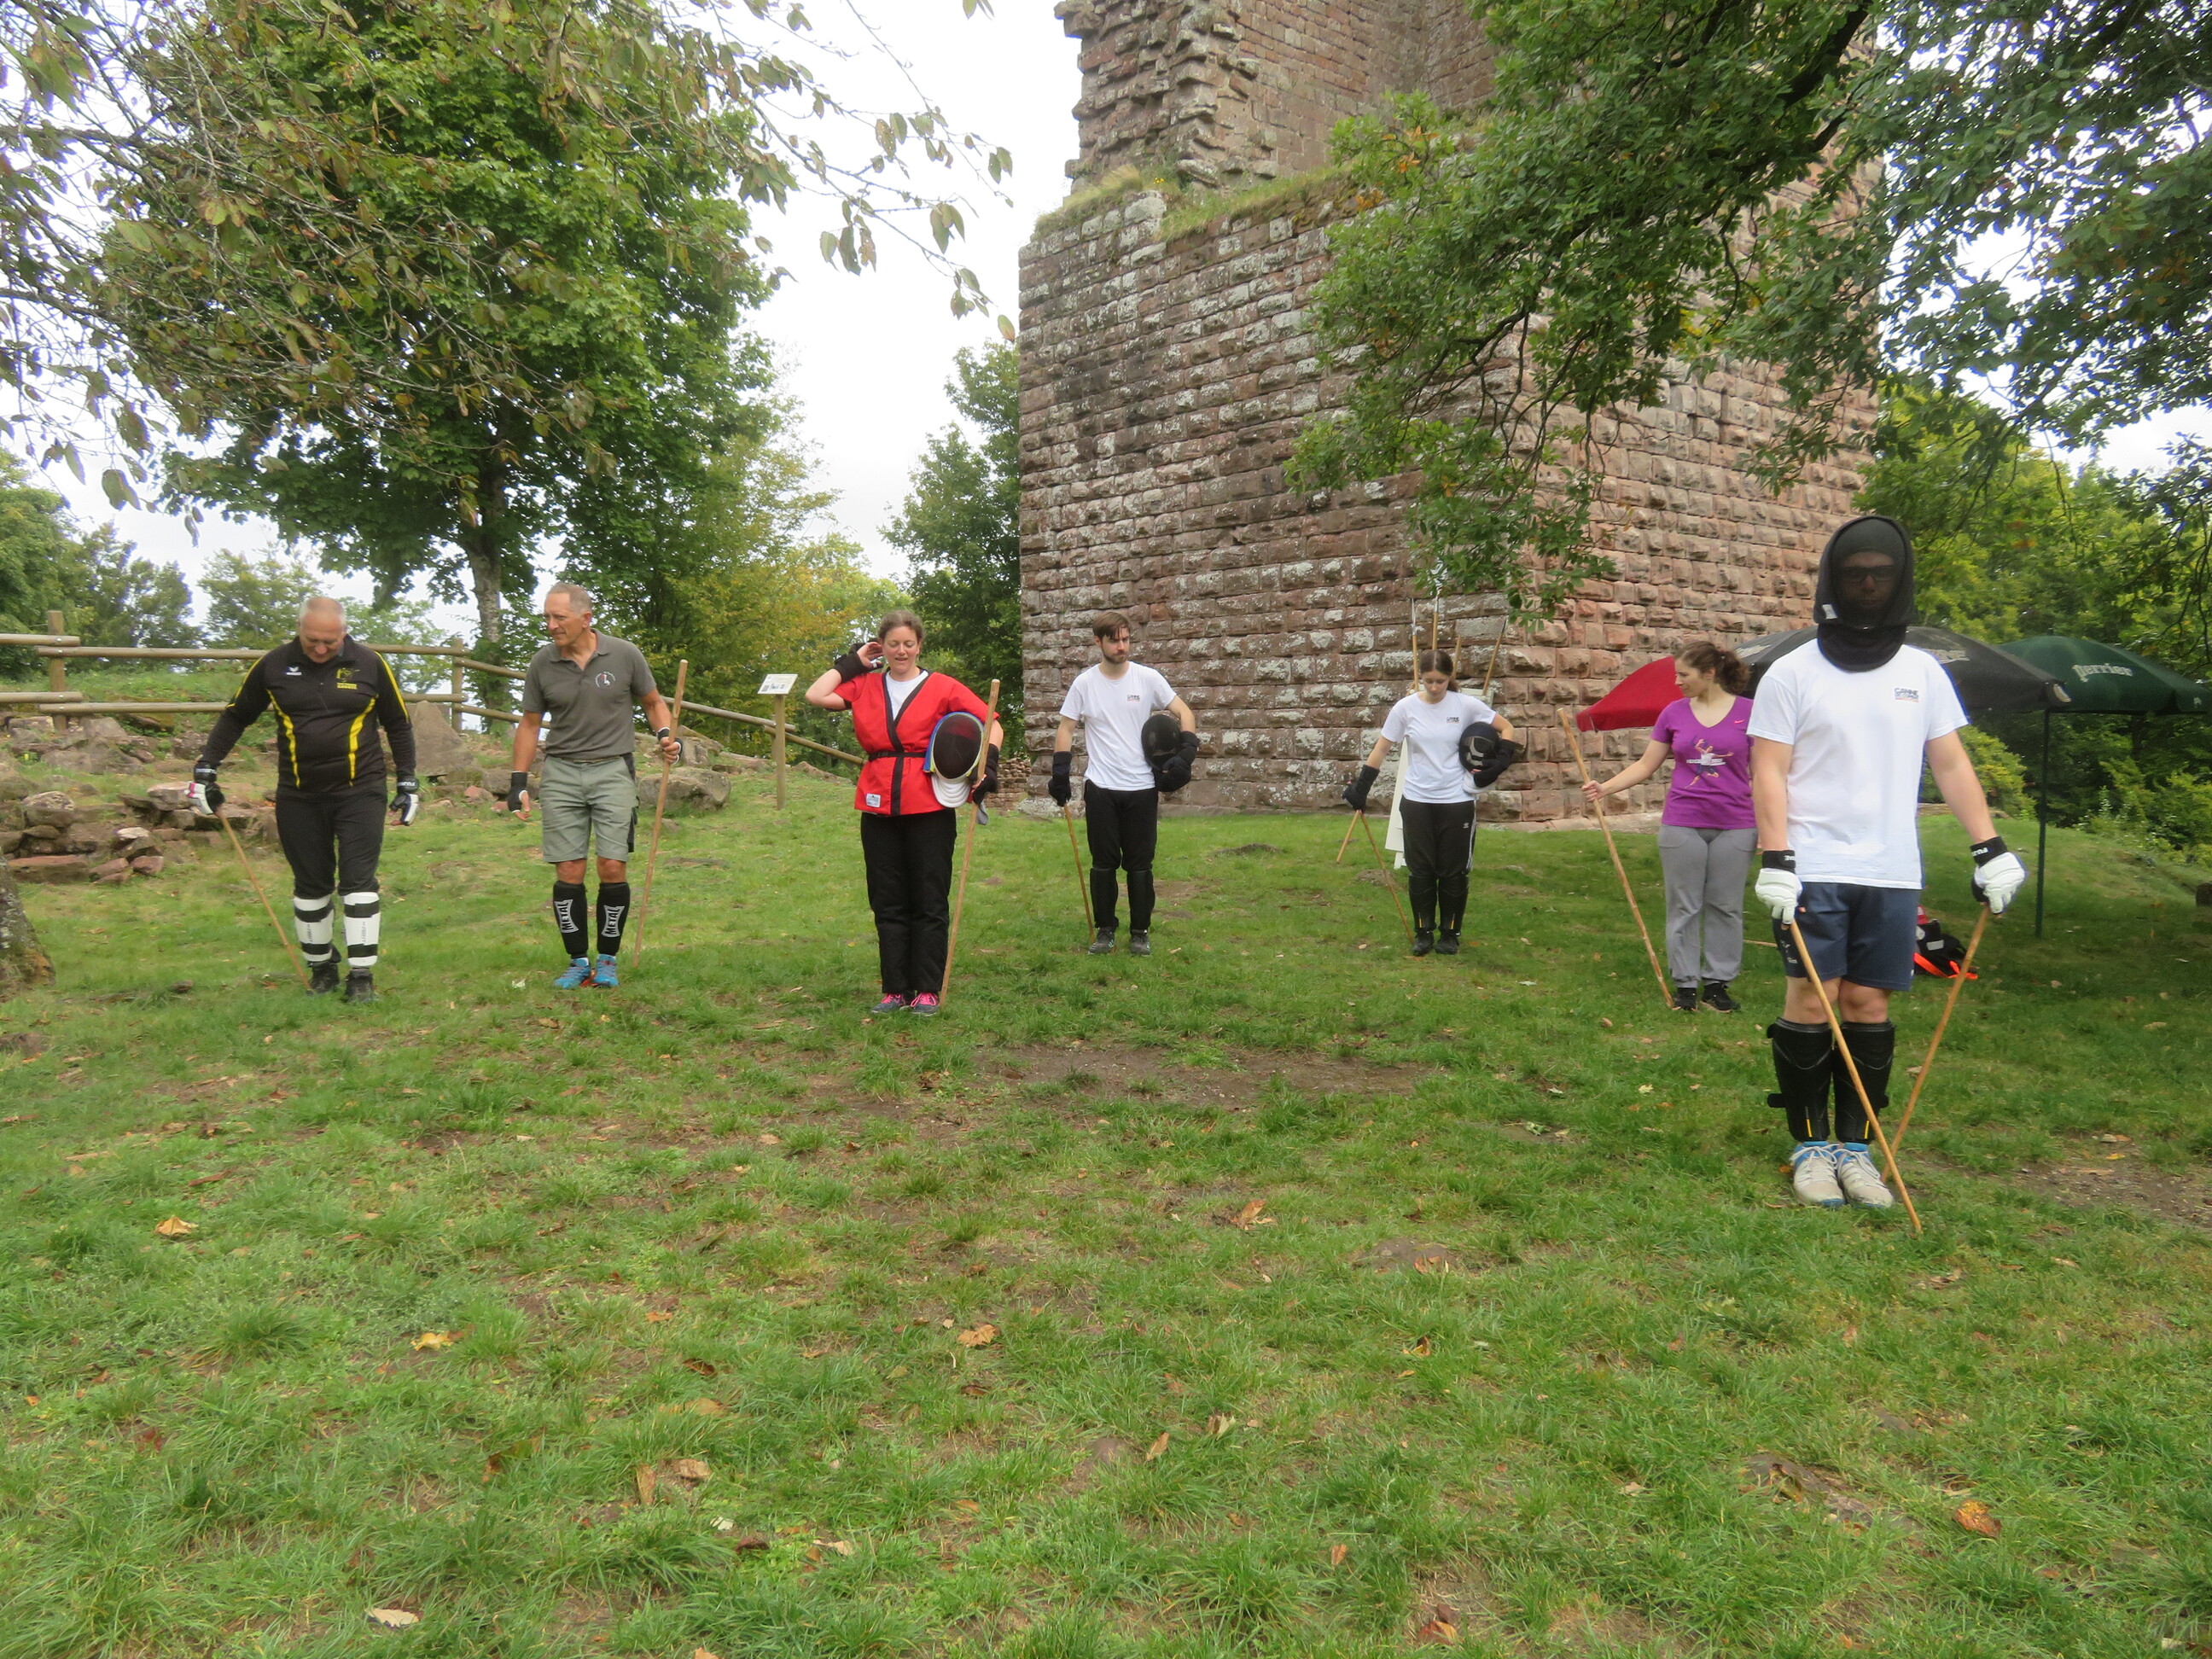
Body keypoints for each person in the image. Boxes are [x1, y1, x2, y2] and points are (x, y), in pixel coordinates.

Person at [1749, 515, 2027, 1209]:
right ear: (1832, 581)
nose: (1868, 584)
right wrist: (1777, 855)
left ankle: (1856, 1148)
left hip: (1892, 868)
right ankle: (1811, 1146)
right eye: (1854, 574)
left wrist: (1989, 846)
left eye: (1881, 573)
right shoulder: (1792, 672)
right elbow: (1768, 769)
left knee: (1867, 1002)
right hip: (1812, 862)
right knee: (1812, 997)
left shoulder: (1921, 673)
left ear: (1900, 582)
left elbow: (1951, 763)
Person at [189, 597, 417, 1004]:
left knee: (358, 883)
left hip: (360, 791)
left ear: (344, 632)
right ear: (299, 629)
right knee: (310, 886)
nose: (321, 649)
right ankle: (321, 969)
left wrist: (408, 781)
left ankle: (361, 977)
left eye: (330, 641)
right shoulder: (273, 665)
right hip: (299, 793)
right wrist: (207, 768)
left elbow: (398, 723)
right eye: (313, 640)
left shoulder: (370, 664)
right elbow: (237, 715)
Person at [806, 610, 1002, 1015]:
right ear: (881, 647)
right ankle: (895, 989)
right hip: (878, 802)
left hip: (929, 802)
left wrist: (989, 765)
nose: (901, 651)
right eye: (893, 644)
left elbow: (992, 723)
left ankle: (927, 989)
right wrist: (851, 664)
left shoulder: (943, 686)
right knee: (888, 899)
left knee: (929, 897)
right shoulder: (864, 685)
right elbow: (815, 695)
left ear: (919, 646)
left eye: (908, 644)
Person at [506, 583, 680, 990]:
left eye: (559, 617)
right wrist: (517, 782)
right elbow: (529, 724)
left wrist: (666, 735)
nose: (551, 626)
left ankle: (607, 959)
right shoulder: (542, 663)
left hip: (613, 770)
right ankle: (577, 961)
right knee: (569, 868)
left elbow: (654, 702)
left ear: (586, 619)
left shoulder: (624, 654)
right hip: (561, 773)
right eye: (547, 618)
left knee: (612, 865)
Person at [1581, 642, 1758, 1013]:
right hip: (1682, 822)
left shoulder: (1751, 713)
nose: (1677, 682)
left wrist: (1773, 828)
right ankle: (1686, 985)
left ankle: (1718, 985)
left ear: (1709, 673)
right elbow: (1646, 765)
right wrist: (1605, 787)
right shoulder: (1673, 713)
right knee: (1684, 905)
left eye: (1683, 674)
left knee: (1726, 906)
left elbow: (1763, 775)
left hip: (1737, 824)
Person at [1342, 650, 1520, 956]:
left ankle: (1450, 934)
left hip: (1456, 799)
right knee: (1420, 870)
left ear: (1450, 678)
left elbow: (1507, 728)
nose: (1435, 687)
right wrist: (1362, 788)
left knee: (1453, 872)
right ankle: (1423, 932)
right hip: (1417, 800)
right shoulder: (1405, 708)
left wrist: (1499, 763)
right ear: (1420, 678)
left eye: (1440, 681)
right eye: (1428, 681)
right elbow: (1381, 748)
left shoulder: (1465, 705)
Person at [1048, 612, 1198, 956]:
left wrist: (1186, 753)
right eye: (1114, 640)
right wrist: (1060, 772)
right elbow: (1066, 728)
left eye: (1126, 639)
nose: (1122, 646)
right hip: (1101, 787)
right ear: (1098, 642)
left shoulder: (1147, 678)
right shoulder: (1085, 684)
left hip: (1142, 786)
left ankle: (1140, 932)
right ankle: (1105, 931)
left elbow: (1184, 712)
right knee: (1103, 864)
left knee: (1140, 865)